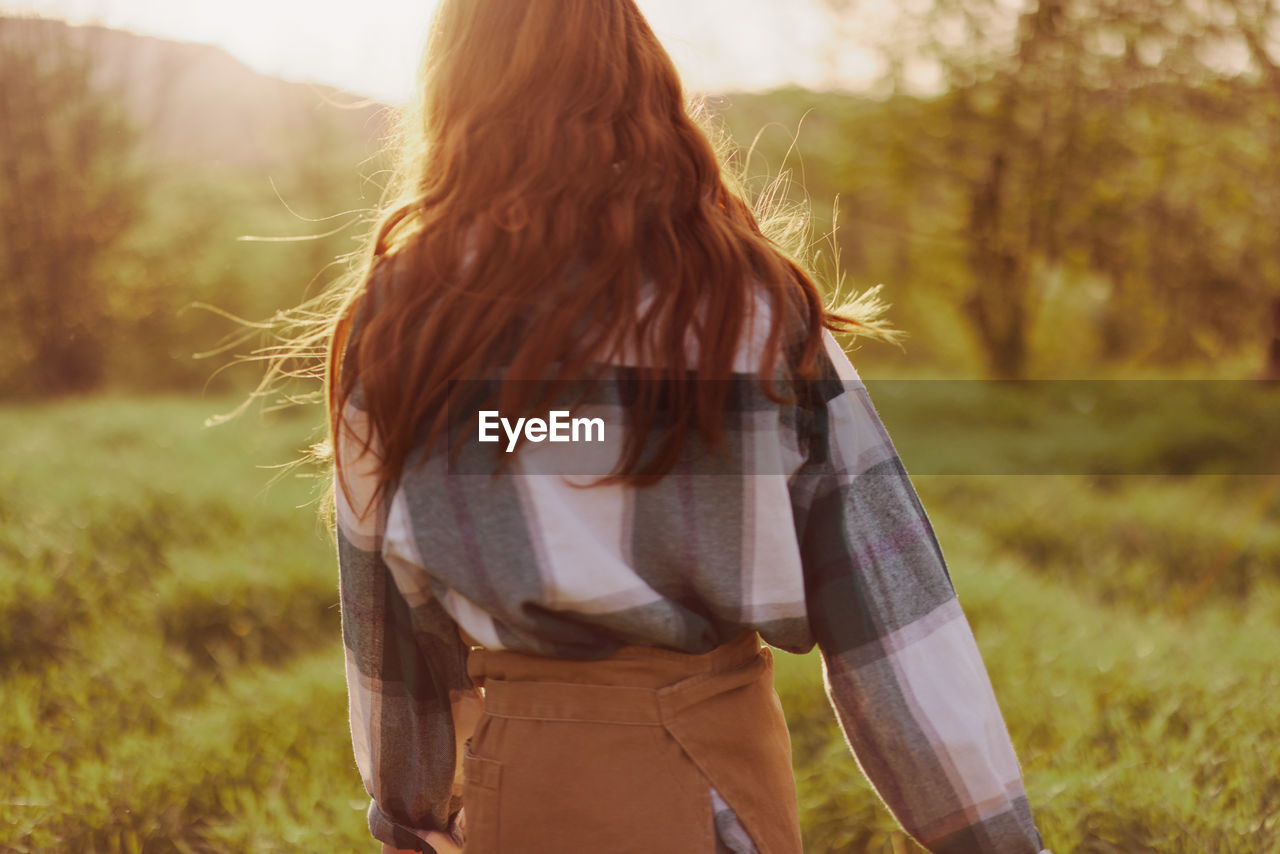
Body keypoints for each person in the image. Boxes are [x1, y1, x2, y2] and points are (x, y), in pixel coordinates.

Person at [324, 1, 1049, 852]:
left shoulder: (400, 324)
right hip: (720, 791)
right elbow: (895, 627)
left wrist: (409, 821)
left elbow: (384, 631)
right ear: (641, 82)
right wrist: (998, 843)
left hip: (516, 795)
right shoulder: (750, 310)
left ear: (451, 96)